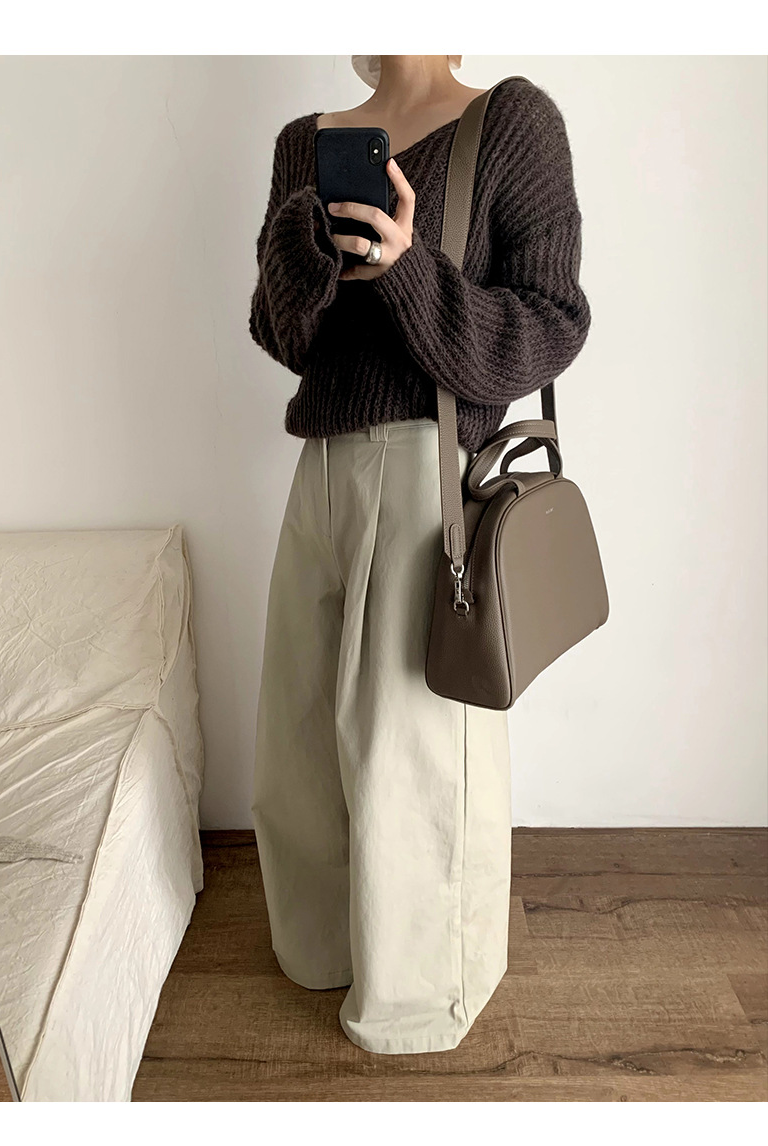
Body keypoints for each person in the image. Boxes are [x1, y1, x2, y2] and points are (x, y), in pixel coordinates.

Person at [248, 55, 591, 1055]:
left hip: (426, 470)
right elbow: (279, 334)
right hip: (318, 464)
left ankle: (420, 998)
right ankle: (320, 948)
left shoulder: (511, 123)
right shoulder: (305, 145)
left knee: (413, 756)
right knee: (298, 744)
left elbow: (552, 323)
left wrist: (407, 271)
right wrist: (307, 252)